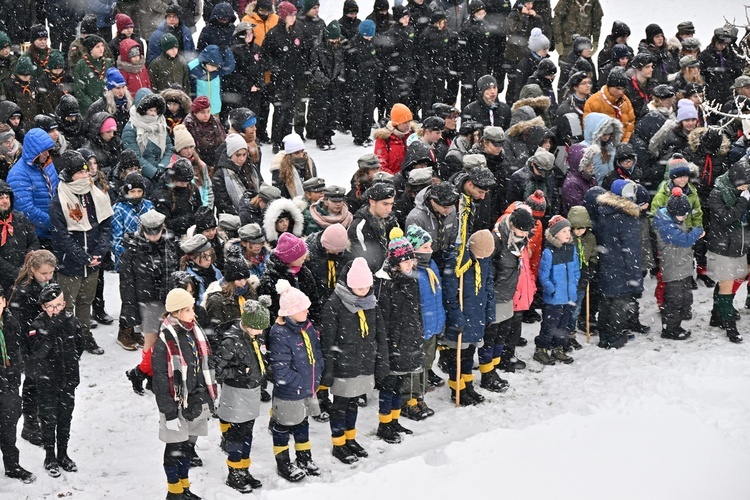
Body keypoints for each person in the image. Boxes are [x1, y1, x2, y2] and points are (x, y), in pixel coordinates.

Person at [320, 257, 389, 462]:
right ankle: (338, 442)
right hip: (343, 365)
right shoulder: (334, 305)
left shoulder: (371, 303)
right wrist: (328, 371)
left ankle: (350, 438)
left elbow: (380, 334)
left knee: (353, 404)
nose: (364, 290)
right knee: (340, 406)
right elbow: (328, 341)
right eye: (359, 287)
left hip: (363, 362)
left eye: (368, 286)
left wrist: (381, 361)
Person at [152, 287, 216, 499]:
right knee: (174, 449)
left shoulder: (194, 331)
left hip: (196, 400)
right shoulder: (166, 339)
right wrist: (169, 412)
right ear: (176, 312)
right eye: (188, 309)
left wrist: (207, 395)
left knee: (188, 447)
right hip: (176, 404)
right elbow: (161, 380)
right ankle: (174, 492)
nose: (193, 313)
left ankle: (184, 488)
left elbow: (202, 364)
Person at [50, 150, 113, 356]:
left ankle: (84, 336)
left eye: (86, 171)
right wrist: (82, 257)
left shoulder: (95, 194)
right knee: (67, 304)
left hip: (93, 262)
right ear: (70, 175)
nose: (86, 175)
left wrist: (99, 253)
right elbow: (61, 235)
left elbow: (105, 226)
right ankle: (68, 340)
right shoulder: (59, 198)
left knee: (86, 302)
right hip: (70, 264)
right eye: (80, 172)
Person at [267, 279, 323, 482]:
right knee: (283, 427)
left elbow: (316, 352)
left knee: (302, 423)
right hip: (290, 391)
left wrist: (317, 373)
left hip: (307, 388)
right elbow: (281, 370)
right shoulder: (280, 334)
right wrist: (301, 381)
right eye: (304, 309)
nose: (308, 312)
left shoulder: (306, 326)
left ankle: (304, 457)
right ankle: (283, 463)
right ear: (290, 312)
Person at [214, 296, 270, 493]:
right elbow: (217, 370)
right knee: (237, 435)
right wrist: (239, 372)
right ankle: (234, 472)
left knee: (248, 432)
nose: (262, 332)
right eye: (259, 328)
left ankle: (244, 468)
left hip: (251, 390)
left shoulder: (256, 335)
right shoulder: (232, 341)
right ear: (247, 324)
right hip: (237, 392)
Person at [28, 284, 84, 478]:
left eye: (58, 305)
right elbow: (37, 352)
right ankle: (50, 456)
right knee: (48, 418)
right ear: (43, 307)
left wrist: (70, 364)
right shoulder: (38, 325)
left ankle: (63, 454)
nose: (55, 310)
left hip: (68, 379)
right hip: (47, 381)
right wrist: (50, 332)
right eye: (50, 306)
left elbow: (79, 345)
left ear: (64, 304)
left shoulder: (72, 321)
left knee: (65, 418)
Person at [374, 228, 428, 423]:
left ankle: (394, 420)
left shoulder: (410, 280)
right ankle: (385, 423)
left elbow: (416, 311)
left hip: (407, 341)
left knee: (399, 384)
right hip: (393, 346)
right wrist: (388, 346)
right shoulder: (385, 284)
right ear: (396, 262)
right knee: (388, 387)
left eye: (411, 260)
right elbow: (384, 321)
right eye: (406, 261)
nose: (410, 264)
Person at [121, 210, 179, 386]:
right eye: (149, 233)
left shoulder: (171, 244)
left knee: (168, 341)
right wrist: (130, 311)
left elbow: (176, 271)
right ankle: (144, 373)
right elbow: (127, 284)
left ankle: (150, 374)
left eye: (157, 232)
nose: (153, 237)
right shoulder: (131, 251)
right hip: (147, 302)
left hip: (169, 299)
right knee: (151, 342)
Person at [442, 229, 495, 405]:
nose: (482, 259)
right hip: (462, 316)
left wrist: (489, 311)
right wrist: (455, 314)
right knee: (457, 355)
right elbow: (449, 294)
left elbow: (488, 286)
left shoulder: (484, 261)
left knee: (469, 353)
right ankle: (457, 388)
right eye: (480, 255)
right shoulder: (458, 261)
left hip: (476, 314)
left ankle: (468, 383)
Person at [593, 179, 642, 349]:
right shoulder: (628, 219)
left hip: (606, 265)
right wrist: (636, 278)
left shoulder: (604, 212)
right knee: (619, 303)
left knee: (606, 300)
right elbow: (632, 251)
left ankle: (604, 335)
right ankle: (615, 337)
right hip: (622, 268)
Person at [706, 158, 750, 344]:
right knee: (726, 284)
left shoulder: (743, 191)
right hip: (722, 247)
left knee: (729, 282)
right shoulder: (717, 194)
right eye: (745, 184)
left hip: (740, 245)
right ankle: (730, 326)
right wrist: (742, 203)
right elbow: (726, 219)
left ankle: (717, 314)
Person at [653, 187, 704, 340]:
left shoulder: (673, 220)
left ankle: (676, 325)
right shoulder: (665, 225)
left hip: (682, 266)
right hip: (674, 269)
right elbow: (683, 239)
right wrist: (696, 231)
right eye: (682, 214)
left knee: (684, 298)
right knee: (674, 300)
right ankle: (670, 329)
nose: (685, 217)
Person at [0, 281, 35, 483]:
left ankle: (12, 465)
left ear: (4, 302)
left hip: (8, 384)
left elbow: (16, 356)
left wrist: (11, 383)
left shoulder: (11, 323)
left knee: (8, 426)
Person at [534, 215, 579, 365]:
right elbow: (543, 275)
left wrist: (574, 284)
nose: (568, 234)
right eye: (564, 231)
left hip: (568, 296)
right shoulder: (549, 252)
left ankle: (558, 348)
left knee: (563, 325)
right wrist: (551, 289)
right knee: (550, 324)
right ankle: (541, 349)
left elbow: (576, 270)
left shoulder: (571, 249)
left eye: (569, 231)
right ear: (554, 234)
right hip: (554, 298)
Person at [122, 89, 173, 181]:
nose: (154, 114)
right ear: (143, 110)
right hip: (142, 177)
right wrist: (154, 172)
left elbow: (169, 148)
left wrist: (162, 168)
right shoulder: (131, 128)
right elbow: (135, 156)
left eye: (155, 110)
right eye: (150, 110)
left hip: (162, 175)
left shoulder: (161, 124)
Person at [348, 182, 400, 272]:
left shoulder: (391, 220)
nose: (389, 209)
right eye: (385, 204)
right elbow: (364, 260)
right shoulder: (359, 227)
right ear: (372, 202)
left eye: (391, 204)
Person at [0, 180, 40, 293]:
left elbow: (34, 242)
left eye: (7, 197)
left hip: (24, 275)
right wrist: (14, 272)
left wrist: (26, 265)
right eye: (1, 198)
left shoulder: (20, 218)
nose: (5, 201)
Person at [110, 173, 154, 270]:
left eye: (139, 191)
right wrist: (128, 255)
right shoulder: (118, 209)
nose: (136, 195)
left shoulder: (149, 206)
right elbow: (116, 239)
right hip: (125, 260)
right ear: (126, 191)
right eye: (132, 191)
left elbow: (154, 232)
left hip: (148, 259)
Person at [213, 133, 262, 216]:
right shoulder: (220, 175)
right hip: (233, 219)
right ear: (230, 154)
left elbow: (261, 187)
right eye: (238, 155)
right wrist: (245, 215)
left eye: (244, 154)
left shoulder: (250, 167)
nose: (242, 159)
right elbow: (224, 204)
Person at [584, 67, 635, 143]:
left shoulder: (625, 100)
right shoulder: (593, 102)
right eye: (618, 88)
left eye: (623, 89)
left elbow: (630, 124)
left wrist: (625, 141)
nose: (621, 92)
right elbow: (589, 129)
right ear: (609, 86)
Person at [73, 35, 113, 115]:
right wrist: (92, 106)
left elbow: (112, 83)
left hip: (106, 108)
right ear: (90, 50)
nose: (101, 49)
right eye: (97, 47)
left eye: (102, 46)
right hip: (88, 110)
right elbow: (79, 91)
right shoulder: (81, 65)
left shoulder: (107, 63)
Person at [179, 234, 224, 306]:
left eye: (210, 255)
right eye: (204, 257)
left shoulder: (214, 270)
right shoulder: (191, 279)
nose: (209, 259)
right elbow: (198, 303)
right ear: (192, 258)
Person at [184, 96, 226, 167]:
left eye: (208, 111)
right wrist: (199, 161)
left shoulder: (215, 122)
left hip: (216, 160)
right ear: (195, 113)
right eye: (202, 112)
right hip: (196, 162)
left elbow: (223, 140)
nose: (206, 115)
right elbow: (188, 147)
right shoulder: (189, 124)